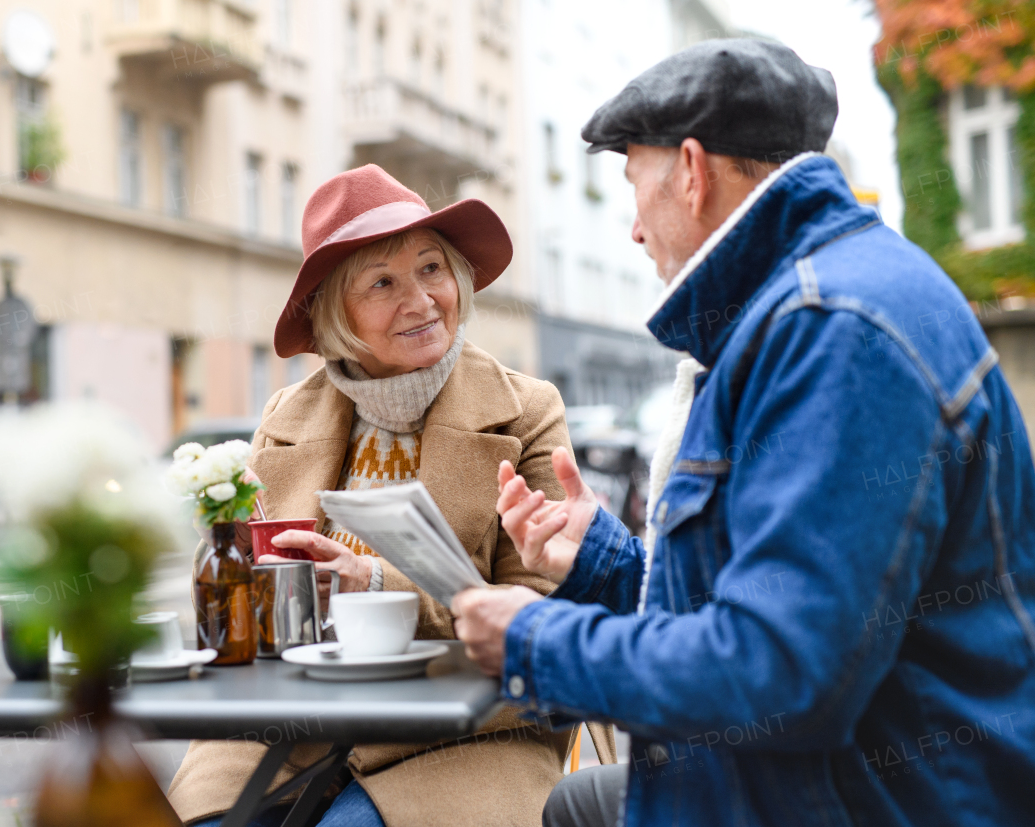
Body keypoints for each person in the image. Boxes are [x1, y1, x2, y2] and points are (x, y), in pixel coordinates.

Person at [451, 38, 1035, 827]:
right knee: (576, 805)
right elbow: (770, 603)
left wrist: (537, 640)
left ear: (691, 172)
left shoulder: (832, 333)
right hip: (832, 784)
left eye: (635, 185)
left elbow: (785, 673)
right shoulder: (819, 301)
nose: (631, 229)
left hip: (871, 800)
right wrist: (600, 560)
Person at [168, 164, 612, 827]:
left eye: (432, 268)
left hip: (465, 737)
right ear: (336, 313)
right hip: (293, 731)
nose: (423, 299)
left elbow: (543, 619)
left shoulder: (526, 408)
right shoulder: (283, 416)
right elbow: (246, 601)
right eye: (383, 282)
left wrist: (370, 580)